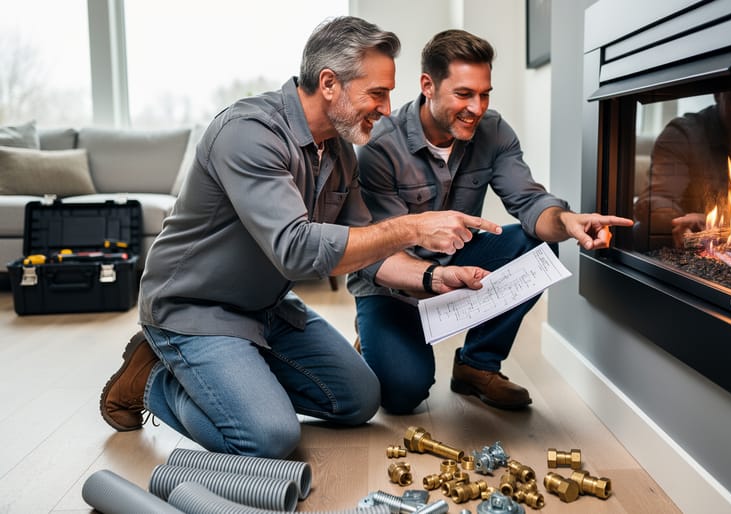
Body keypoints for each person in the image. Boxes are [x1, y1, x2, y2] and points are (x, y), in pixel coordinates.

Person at [98, 17, 501, 459]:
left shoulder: (340, 150)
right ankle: (154, 379)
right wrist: (412, 226)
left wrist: (433, 278)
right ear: (329, 83)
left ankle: (239, 378)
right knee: (269, 438)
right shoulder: (249, 133)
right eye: (377, 93)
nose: (387, 108)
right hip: (196, 309)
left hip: (267, 308)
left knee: (359, 400)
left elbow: (367, 250)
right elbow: (296, 250)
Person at [348, 29, 633, 414]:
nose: (477, 107)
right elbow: (377, 255)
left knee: (539, 244)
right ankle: (373, 338)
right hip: (393, 285)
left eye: (485, 94)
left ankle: (476, 365)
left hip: (457, 262)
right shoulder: (379, 146)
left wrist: (567, 222)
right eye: (464, 94)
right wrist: (432, 279)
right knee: (403, 395)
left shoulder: (494, 131)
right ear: (428, 86)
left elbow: (530, 203)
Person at [634, 87, 731, 248]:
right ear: (718, 94)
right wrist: (682, 221)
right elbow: (655, 199)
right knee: (641, 232)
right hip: (690, 247)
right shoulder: (682, 134)